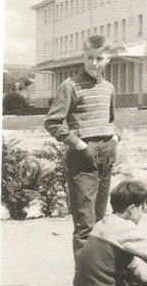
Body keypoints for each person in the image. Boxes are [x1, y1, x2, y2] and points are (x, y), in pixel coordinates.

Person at [45, 34, 119, 263]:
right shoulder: (70, 86)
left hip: (106, 154)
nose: (94, 63)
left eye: (99, 58)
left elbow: (110, 119)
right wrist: (78, 144)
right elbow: (53, 122)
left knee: (100, 220)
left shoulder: (108, 87)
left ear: (108, 59)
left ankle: (99, 278)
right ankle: (86, 284)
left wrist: (115, 137)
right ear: (83, 57)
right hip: (83, 157)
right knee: (85, 224)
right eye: (89, 58)